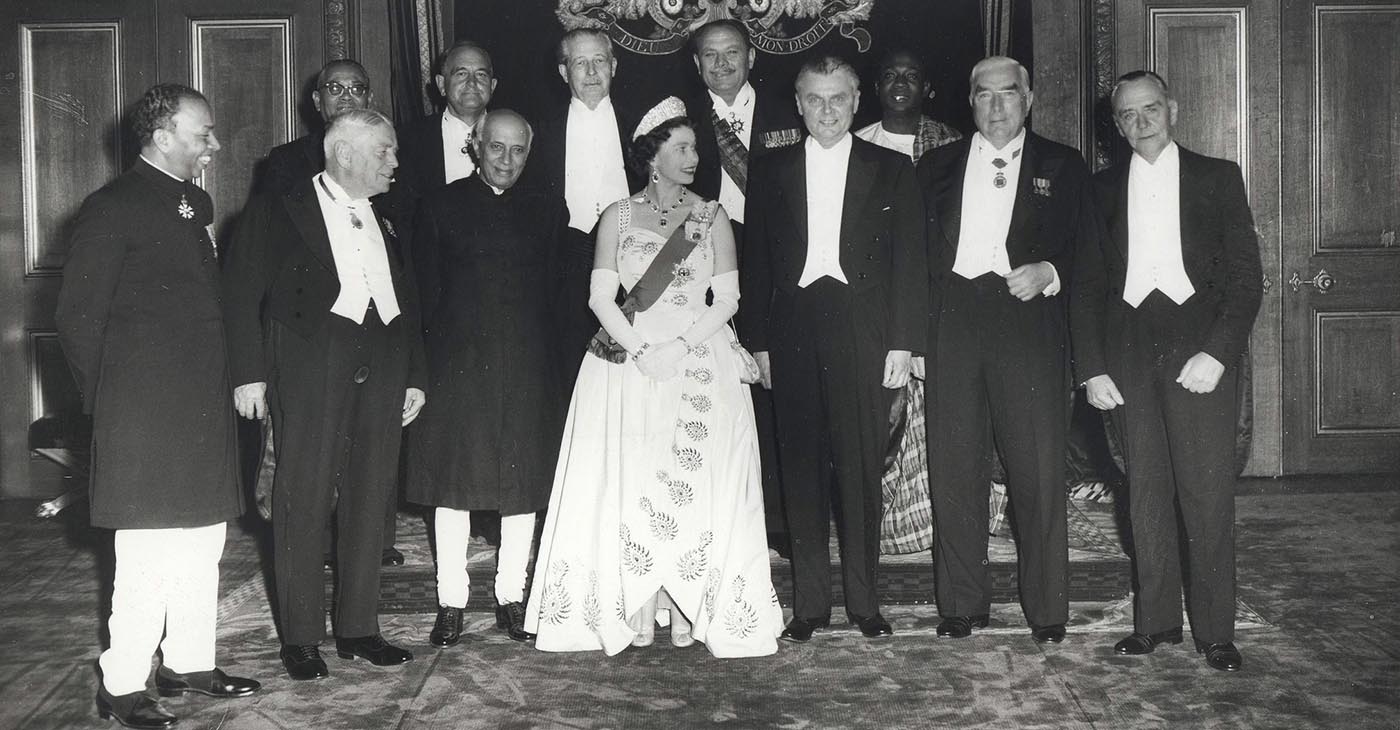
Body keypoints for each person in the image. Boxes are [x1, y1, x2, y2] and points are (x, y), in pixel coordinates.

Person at [524, 97, 784, 658]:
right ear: (652, 156)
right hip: (628, 358)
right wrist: (642, 349)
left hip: (698, 356)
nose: (694, 157)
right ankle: (639, 598)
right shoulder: (617, 215)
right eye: (682, 148)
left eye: (694, 148)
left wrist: (679, 347)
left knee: (692, 480)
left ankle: (687, 600)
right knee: (635, 479)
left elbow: (728, 298)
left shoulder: (711, 216)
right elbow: (601, 296)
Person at [55, 82, 259, 729]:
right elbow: (77, 320)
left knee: (202, 541)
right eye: (203, 134)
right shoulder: (111, 207)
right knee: (146, 555)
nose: (215, 144)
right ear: (163, 135)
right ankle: (121, 685)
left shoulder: (193, 202)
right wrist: (111, 406)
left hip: (199, 406)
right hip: (141, 413)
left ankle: (189, 661)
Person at [222, 109, 427, 681]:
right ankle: (302, 637)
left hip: (383, 362)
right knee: (303, 497)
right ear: (344, 153)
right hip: (311, 363)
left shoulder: (388, 216)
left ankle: (359, 628)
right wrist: (248, 374)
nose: (395, 161)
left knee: (371, 495)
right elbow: (238, 294)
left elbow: (409, 301)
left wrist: (415, 374)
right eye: (384, 151)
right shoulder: (276, 209)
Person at [1071, 71, 1261, 672]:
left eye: (1150, 108)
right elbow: (1086, 285)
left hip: (1197, 350)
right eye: (1127, 114)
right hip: (1127, 352)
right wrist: (1092, 368)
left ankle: (1215, 632)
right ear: (1116, 124)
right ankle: (1155, 623)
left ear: (1172, 109)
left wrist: (1218, 353)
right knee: (1145, 492)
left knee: (1206, 494)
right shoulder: (1099, 189)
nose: (1141, 121)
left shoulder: (1217, 177)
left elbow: (1246, 279)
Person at [740, 56, 928, 643]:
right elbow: (755, 262)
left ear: (856, 102)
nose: (827, 110)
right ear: (798, 105)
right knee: (799, 470)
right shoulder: (770, 169)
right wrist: (759, 344)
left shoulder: (891, 168)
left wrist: (903, 343)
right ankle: (811, 607)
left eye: (838, 98)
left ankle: (865, 605)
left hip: (863, 328)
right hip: (793, 328)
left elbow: (911, 261)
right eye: (815, 99)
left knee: (860, 468)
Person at [918, 56, 1098, 645]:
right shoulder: (935, 166)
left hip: (1028, 323)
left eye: (1009, 94)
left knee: (1037, 469)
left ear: (1029, 99)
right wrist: (915, 338)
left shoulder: (1063, 165)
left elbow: (1092, 250)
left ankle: (1046, 609)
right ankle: (961, 604)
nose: (997, 106)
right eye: (985, 94)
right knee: (954, 467)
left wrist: (1050, 270)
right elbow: (913, 257)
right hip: (952, 322)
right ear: (969, 101)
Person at [405, 109, 567, 647]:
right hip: (458, 366)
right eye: (496, 147)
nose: (506, 160)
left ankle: (511, 597)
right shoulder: (440, 205)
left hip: (527, 365)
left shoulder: (548, 207)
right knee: (452, 485)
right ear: (475, 145)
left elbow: (556, 293)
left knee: (522, 486)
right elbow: (423, 294)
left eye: (518, 150)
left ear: (530, 151)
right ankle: (450, 601)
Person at [255, 58, 406, 569]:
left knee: (370, 475)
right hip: (314, 346)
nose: (345, 96)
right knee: (306, 477)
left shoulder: (384, 187)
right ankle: (310, 568)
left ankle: (370, 565)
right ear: (316, 101)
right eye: (334, 88)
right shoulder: (286, 169)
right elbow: (261, 273)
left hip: (375, 349)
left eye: (356, 88)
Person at [684, 18, 803, 556]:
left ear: (752, 57)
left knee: (776, 389)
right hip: (708, 263)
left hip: (778, 266)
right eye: (710, 55)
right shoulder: (682, 120)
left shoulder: (790, 112)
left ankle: (778, 518)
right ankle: (717, 514)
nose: (722, 64)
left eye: (732, 53)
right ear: (696, 64)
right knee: (713, 384)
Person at [853, 48, 963, 557]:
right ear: (875, 88)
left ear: (928, 88)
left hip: (941, 293)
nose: (900, 84)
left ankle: (944, 520)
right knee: (888, 412)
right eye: (890, 76)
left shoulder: (955, 145)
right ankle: (893, 523)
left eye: (912, 76)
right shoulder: (858, 144)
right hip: (881, 296)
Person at [530, 28, 642, 379]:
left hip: (632, 262)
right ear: (564, 72)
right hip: (565, 265)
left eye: (599, 61)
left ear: (614, 67)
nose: (592, 72)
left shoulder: (642, 126)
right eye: (581, 63)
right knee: (570, 369)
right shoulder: (539, 132)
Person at [397, 41, 496, 198]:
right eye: (461, 74)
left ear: (492, 86)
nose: (472, 83)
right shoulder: (406, 140)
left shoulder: (518, 138)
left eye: (481, 75)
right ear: (441, 84)